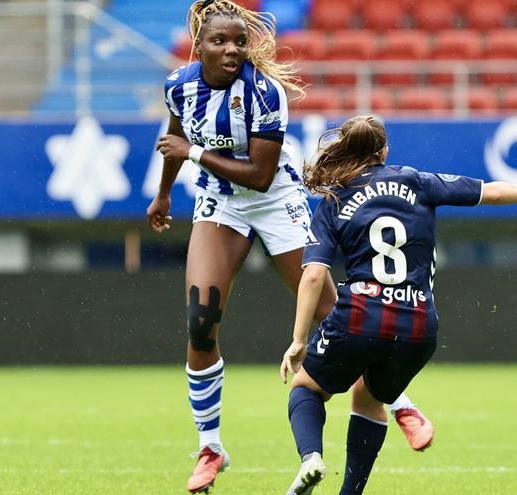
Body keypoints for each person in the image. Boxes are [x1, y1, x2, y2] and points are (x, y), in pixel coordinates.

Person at [146, 2, 432, 493]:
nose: (232, 50)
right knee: (200, 320)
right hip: (220, 203)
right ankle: (211, 447)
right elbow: (176, 134)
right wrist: (165, 193)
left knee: (332, 313)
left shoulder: (264, 91)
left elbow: (258, 175)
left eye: (239, 41)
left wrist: (192, 153)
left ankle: (400, 402)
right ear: (199, 46)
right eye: (219, 41)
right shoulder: (179, 85)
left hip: (275, 199)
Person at [280, 115, 517, 495]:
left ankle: (311, 458)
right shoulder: (416, 181)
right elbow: (491, 193)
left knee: (306, 388)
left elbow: (315, 276)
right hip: (417, 324)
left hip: (360, 316)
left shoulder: (335, 200)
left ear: (347, 150)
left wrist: (299, 339)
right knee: (368, 399)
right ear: (384, 151)